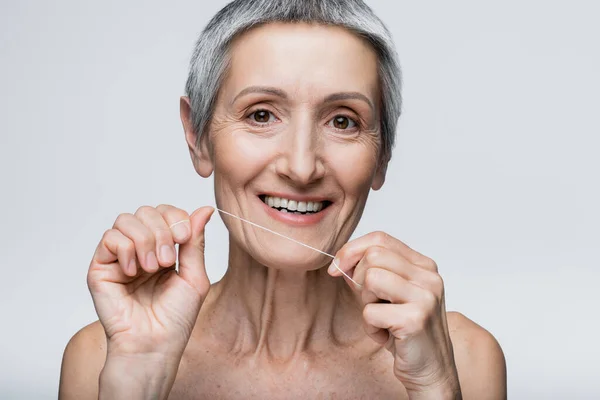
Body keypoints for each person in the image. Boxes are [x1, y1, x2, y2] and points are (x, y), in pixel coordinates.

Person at [59, 0, 506, 398]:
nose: (301, 165)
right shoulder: (101, 359)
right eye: (261, 114)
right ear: (197, 138)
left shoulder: (462, 361)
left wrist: (434, 389)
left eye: (344, 122)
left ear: (383, 154)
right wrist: (140, 379)